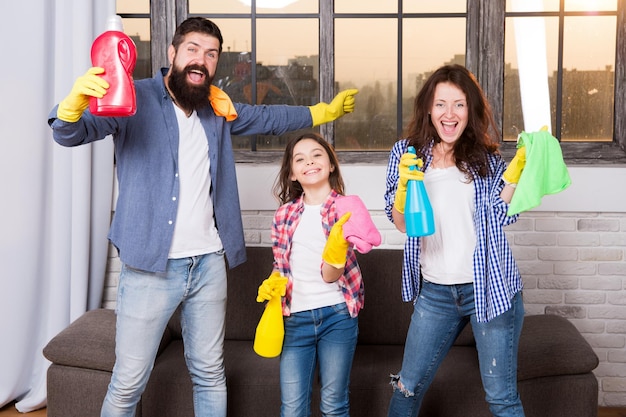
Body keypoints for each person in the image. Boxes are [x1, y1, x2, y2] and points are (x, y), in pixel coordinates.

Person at [47, 17, 358, 417]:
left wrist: (319, 112)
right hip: (148, 268)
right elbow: (70, 133)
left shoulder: (216, 107)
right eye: (193, 49)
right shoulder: (133, 97)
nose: (201, 59)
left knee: (210, 374)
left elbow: (267, 117)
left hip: (209, 262)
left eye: (211, 54)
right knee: (127, 382)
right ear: (173, 53)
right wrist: (71, 107)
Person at [384, 64, 527, 417]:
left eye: (459, 105)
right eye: (441, 104)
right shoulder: (406, 153)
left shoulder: (487, 160)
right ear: (428, 109)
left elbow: (502, 216)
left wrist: (517, 175)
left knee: (501, 398)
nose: (449, 114)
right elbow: (402, 224)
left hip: (489, 287)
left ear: (470, 111)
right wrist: (403, 190)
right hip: (436, 292)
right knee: (407, 387)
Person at [256, 132, 373, 417]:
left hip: (338, 316)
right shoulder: (283, 215)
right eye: (300, 158)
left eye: (317, 154)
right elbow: (281, 264)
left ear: (331, 164)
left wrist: (335, 253)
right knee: (293, 408)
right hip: (295, 320)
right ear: (293, 173)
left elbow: (332, 275)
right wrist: (272, 283)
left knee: (334, 404)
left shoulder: (347, 209)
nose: (309, 161)